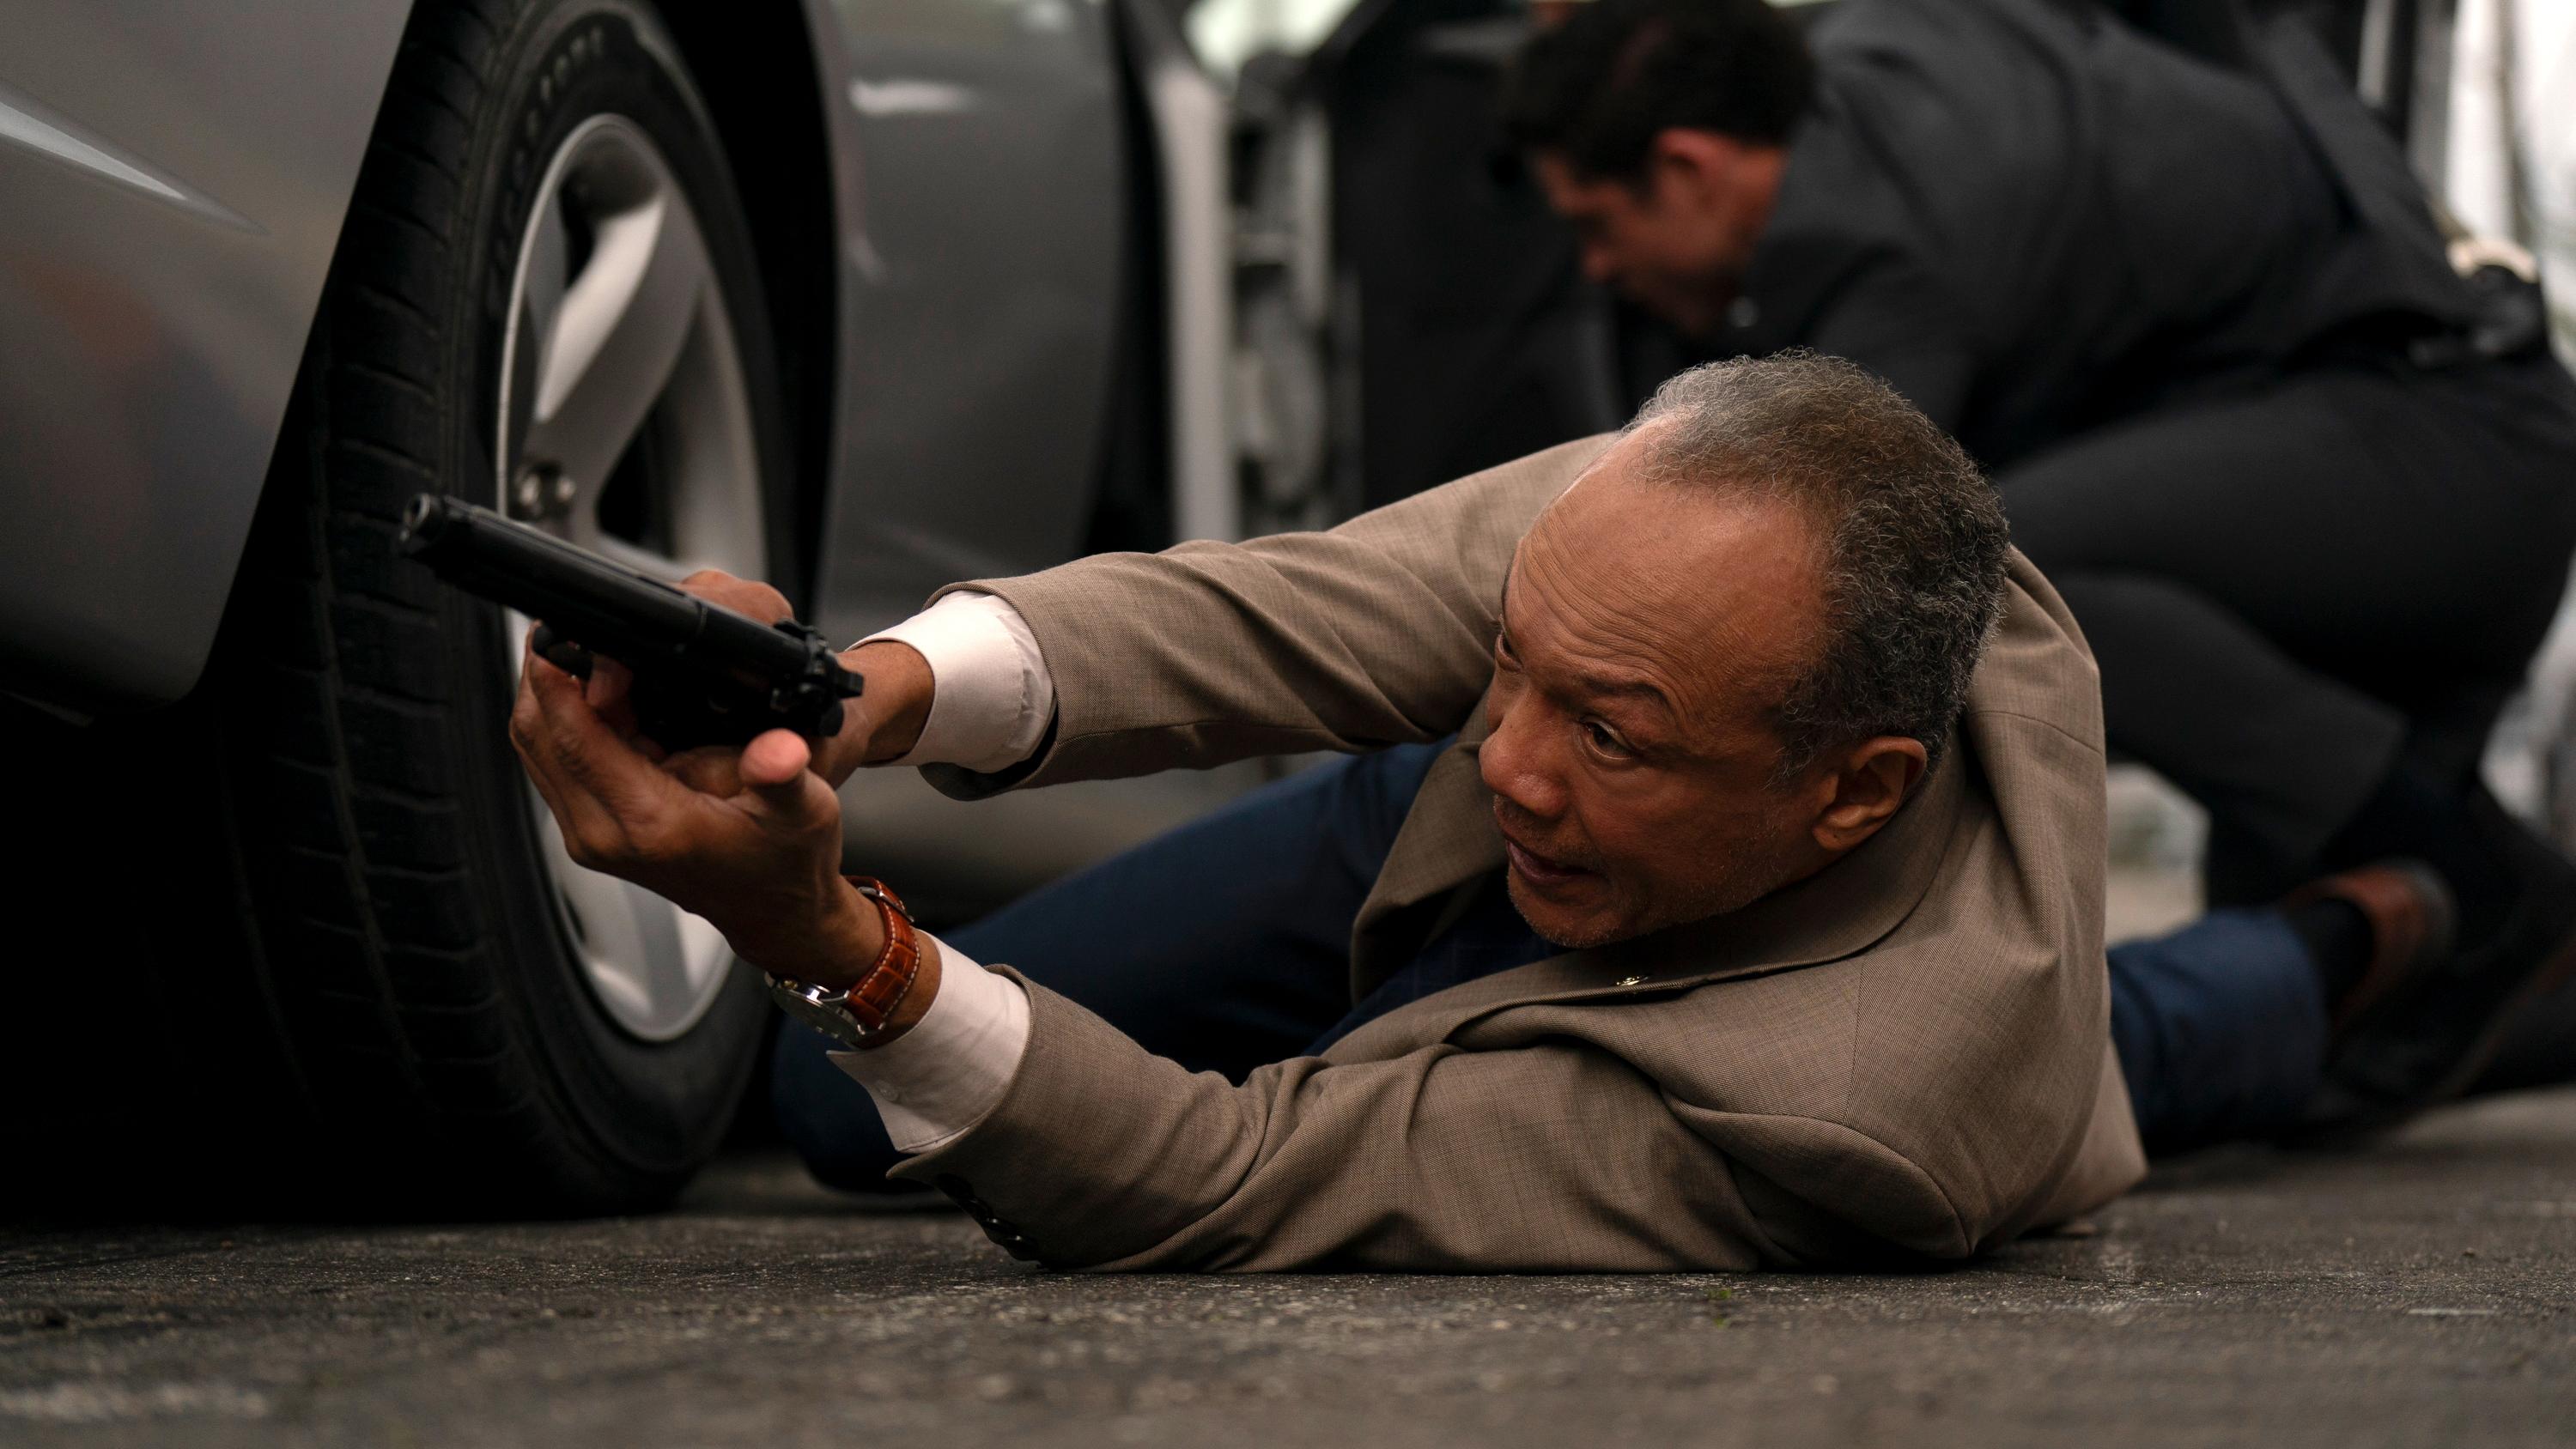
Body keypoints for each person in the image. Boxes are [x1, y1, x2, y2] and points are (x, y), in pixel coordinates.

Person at [513, 355, 2512, 1273]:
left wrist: (839, 947)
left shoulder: (1848, 1120)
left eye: (1610, 730)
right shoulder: (1690, 533)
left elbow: (1230, 1175)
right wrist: (858, 694)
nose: (1515, 754)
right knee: (837, 1112)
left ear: (1859, 789)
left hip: (1842, 1018)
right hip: (1566, 876)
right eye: (1511, 672)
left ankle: (2350, 941)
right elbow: (1282, 616)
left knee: (2128, 1050)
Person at [1502, 0, 2576, 1106]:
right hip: (2406, 433)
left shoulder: (1881, 237)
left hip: (2445, 451)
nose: (1599, 267)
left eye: (1597, 225)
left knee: (1983, 583)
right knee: (2358, 1013)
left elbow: (1819, 571)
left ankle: (2481, 880)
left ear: (1688, 166)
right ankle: (2479, 892)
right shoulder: (1882, 50)